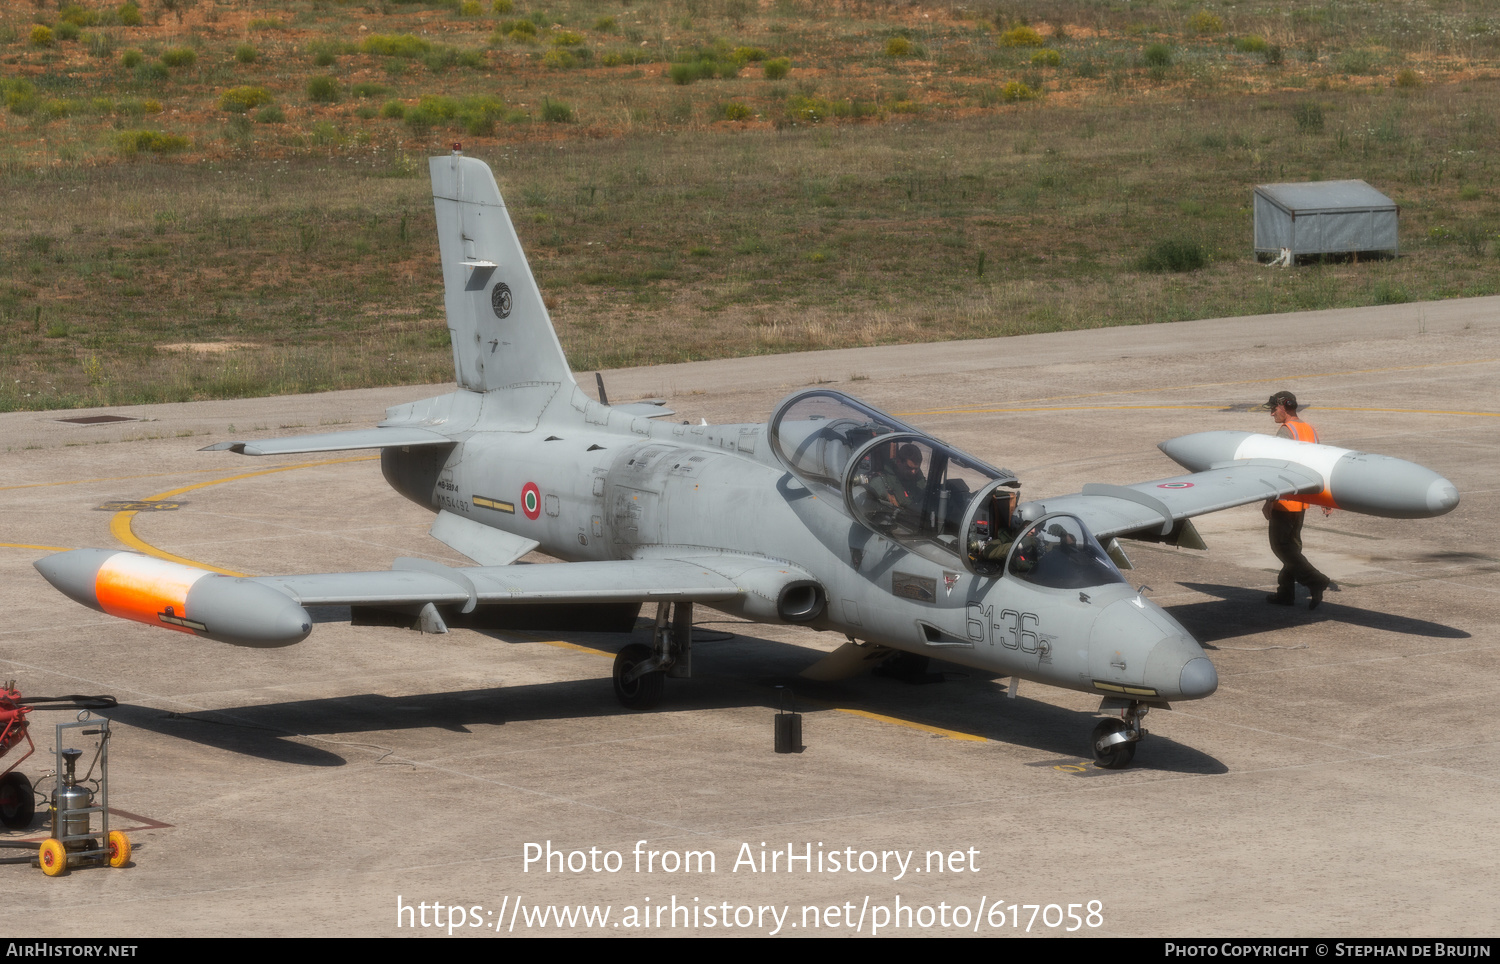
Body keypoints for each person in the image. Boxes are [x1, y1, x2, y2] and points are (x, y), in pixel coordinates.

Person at [1260, 391, 1332, 610]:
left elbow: (1277, 469)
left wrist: (1269, 499)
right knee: (1292, 548)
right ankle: (1286, 593)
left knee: (1281, 548)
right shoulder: (1309, 430)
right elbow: (1320, 464)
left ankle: (1316, 580)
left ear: (1284, 407)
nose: (1272, 413)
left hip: (1285, 500)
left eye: (1274, 408)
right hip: (1302, 502)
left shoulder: (1285, 432)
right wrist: (1325, 498)